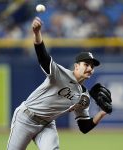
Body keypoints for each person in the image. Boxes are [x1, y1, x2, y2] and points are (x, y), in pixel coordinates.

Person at [7, 17, 112, 150]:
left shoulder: (84, 97)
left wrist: (102, 112)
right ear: (76, 66)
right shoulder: (60, 74)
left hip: (47, 125)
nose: (90, 68)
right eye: (86, 64)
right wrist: (37, 33)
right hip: (25, 118)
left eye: (92, 66)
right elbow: (43, 57)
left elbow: (84, 127)